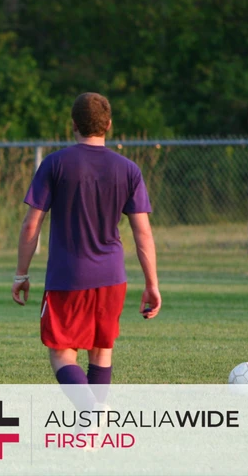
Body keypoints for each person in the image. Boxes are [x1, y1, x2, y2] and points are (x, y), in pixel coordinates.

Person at [11, 92, 161, 411]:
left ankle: (91, 413)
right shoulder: (129, 169)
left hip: (67, 277)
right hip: (112, 278)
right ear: (108, 124)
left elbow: (30, 225)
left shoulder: (55, 163)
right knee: (101, 349)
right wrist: (152, 284)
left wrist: (21, 274)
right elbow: (143, 233)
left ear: (74, 125)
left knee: (62, 352)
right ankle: (94, 429)